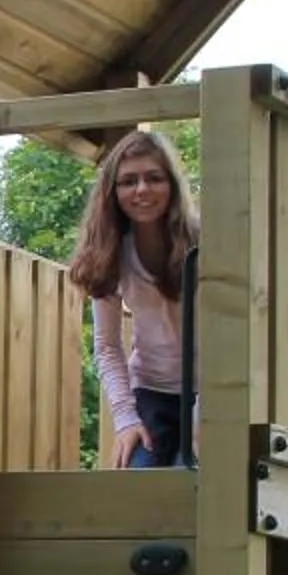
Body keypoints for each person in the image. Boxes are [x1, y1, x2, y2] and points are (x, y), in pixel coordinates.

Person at [68, 129, 198, 469]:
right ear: (113, 191)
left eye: (154, 178)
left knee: (193, 477)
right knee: (139, 475)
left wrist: (210, 405)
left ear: (171, 184)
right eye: (128, 181)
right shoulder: (111, 252)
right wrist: (126, 419)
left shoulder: (201, 241)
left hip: (208, 389)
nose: (141, 190)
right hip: (152, 390)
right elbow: (107, 345)